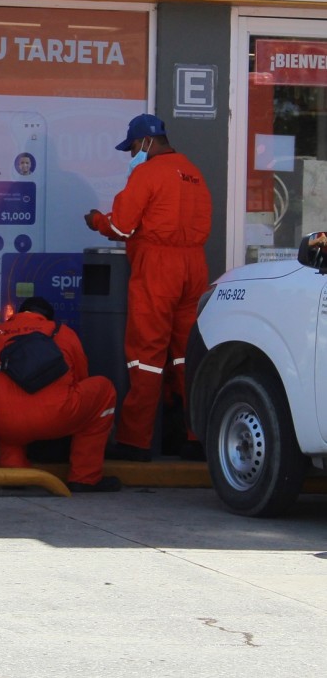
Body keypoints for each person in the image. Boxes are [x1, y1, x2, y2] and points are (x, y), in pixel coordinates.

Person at [85, 114, 212, 462]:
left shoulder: (147, 173)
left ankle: (135, 441)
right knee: (189, 356)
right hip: (194, 267)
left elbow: (122, 227)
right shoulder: (194, 173)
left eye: (132, 149)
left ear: (144, 142)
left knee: (146, 357)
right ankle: (195, 437)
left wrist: (97, 220)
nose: (131, 156)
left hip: (158, 267)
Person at [0, 297, 120, 492]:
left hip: (6, 425)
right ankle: (85, 477)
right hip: (56, 416)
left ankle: (15, 473)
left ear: (19, 313)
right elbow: (80, 380)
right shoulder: (62, 332)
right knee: (104, 390)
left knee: (0, 407)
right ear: (47, 319)